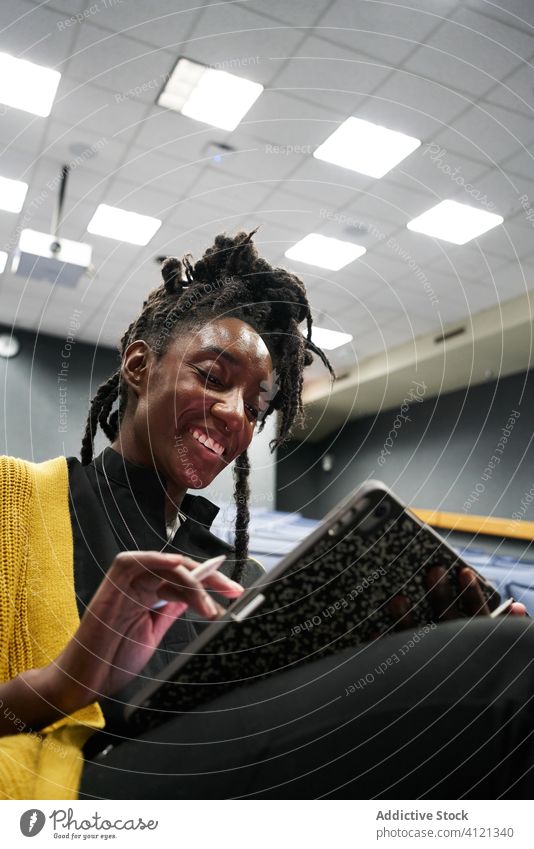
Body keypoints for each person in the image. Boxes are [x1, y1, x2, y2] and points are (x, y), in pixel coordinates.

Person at [0, 231, 532, 801]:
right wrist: (62, 684)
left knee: (480, 668)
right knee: (513, 661)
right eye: (211, 377)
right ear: (138, 365)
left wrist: (399, 655)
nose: (234, 415)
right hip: (72, 798)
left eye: (255, 408)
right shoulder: (14, 502)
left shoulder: (239, 582)